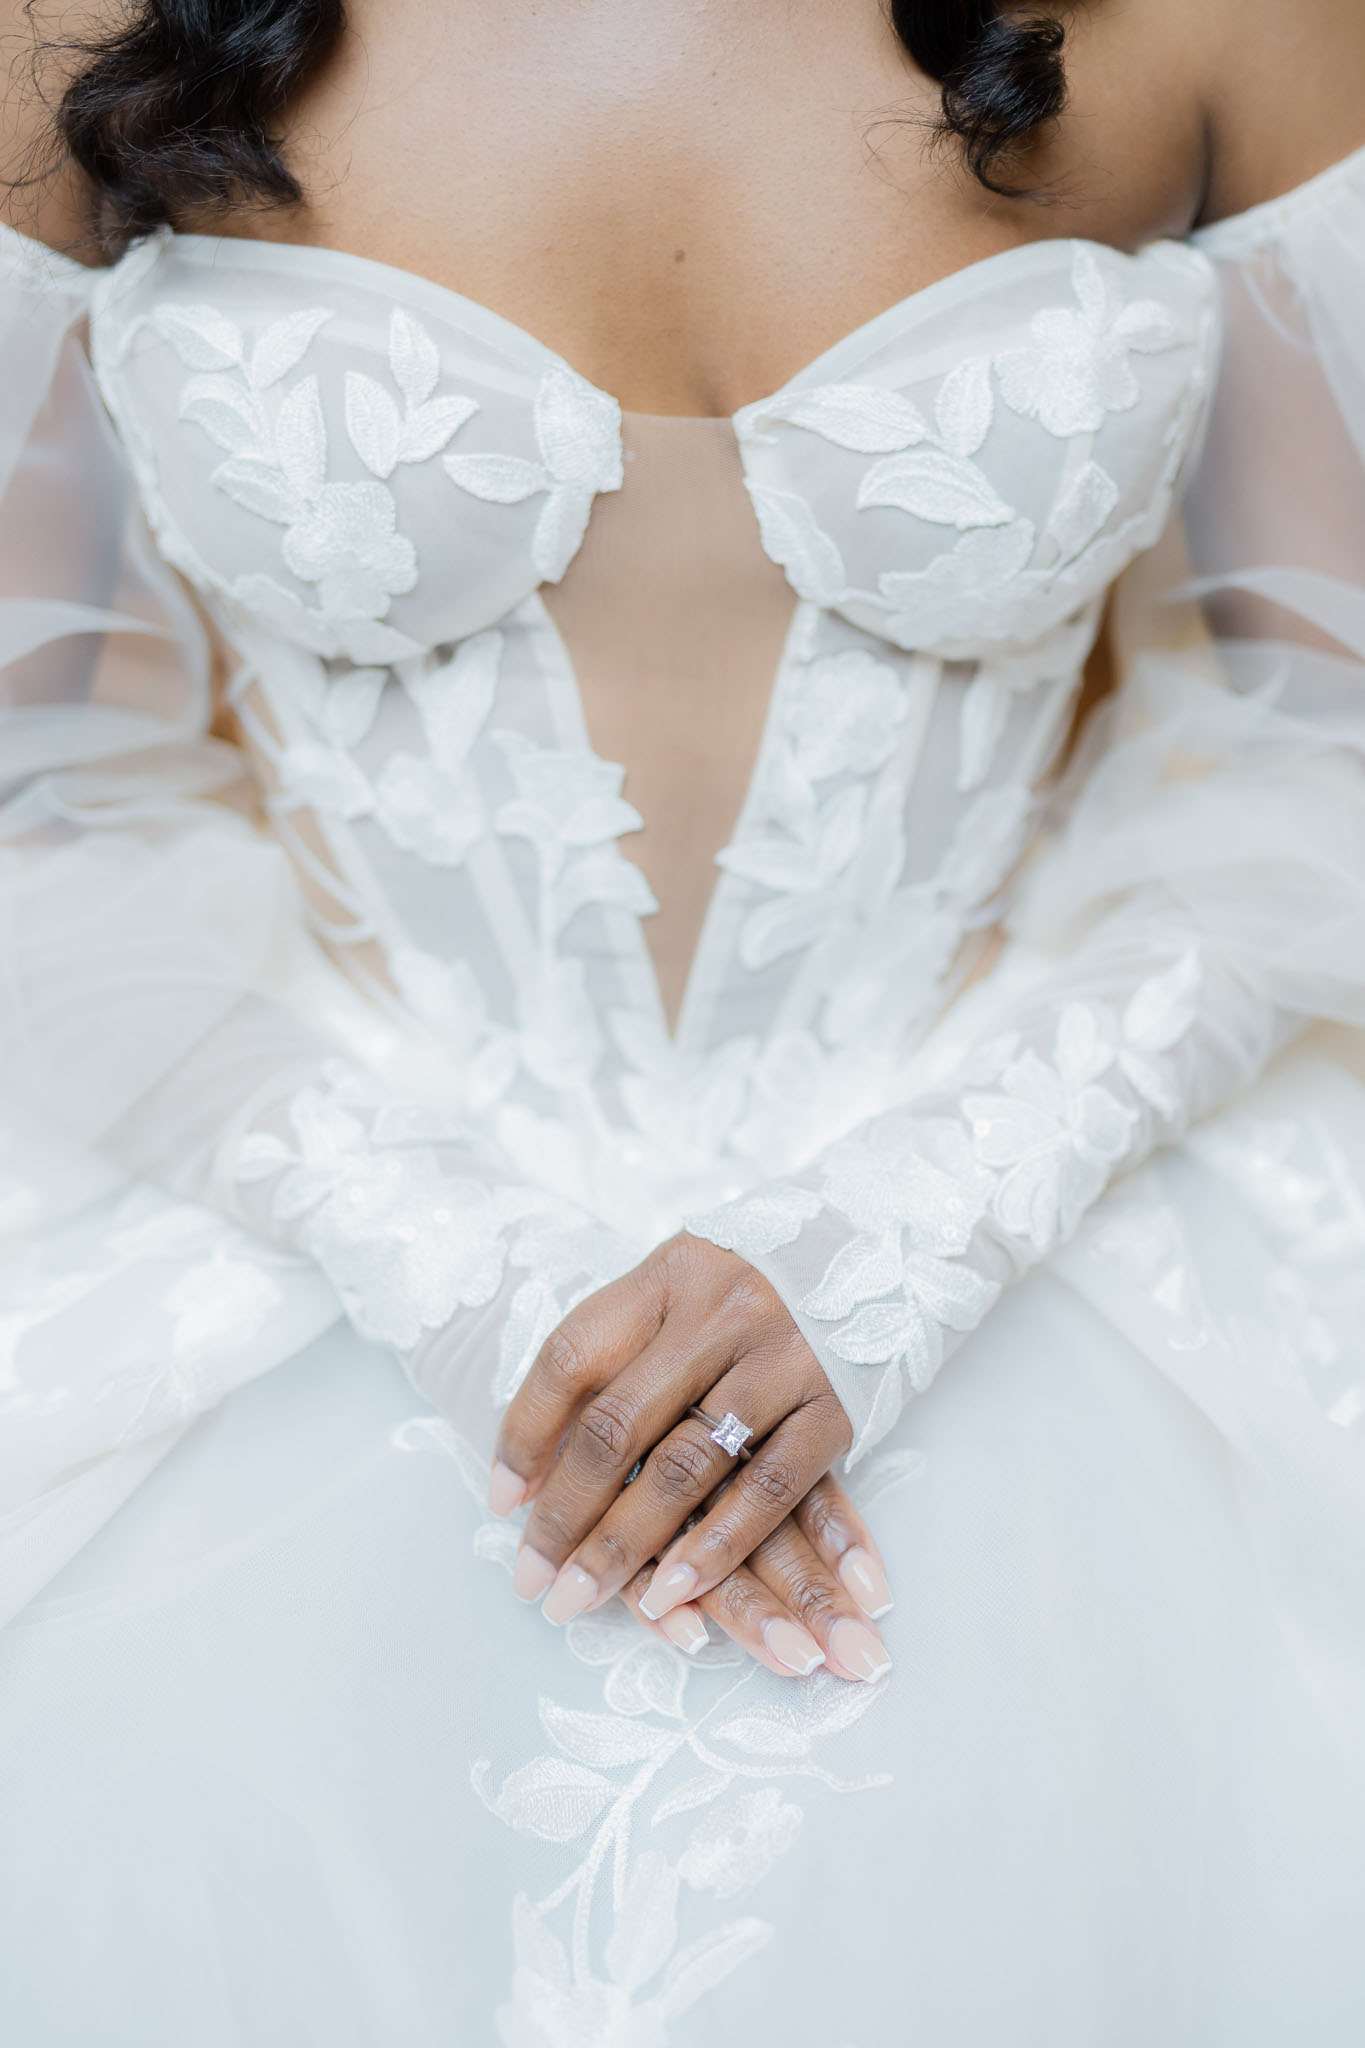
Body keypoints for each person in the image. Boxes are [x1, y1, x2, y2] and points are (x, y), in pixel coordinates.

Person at [2, 2, 1364, 2041]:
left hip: (1037, 1183)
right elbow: (36, 784)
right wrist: (441, 1260)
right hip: (295, 1186)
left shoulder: (1230, 18)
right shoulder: (67, 25)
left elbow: (1319, 735)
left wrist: (911, 1231)